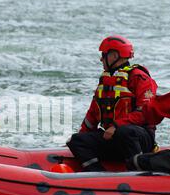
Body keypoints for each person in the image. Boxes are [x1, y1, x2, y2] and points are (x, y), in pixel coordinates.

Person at [67, 35, 158, 171]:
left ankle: (138, 170)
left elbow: (145, 112)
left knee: (125, 131)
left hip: (139, 139)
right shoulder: (105, 81)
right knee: (77, 140)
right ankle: (97, 175)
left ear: (114, 56)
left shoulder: (140, 78)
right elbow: (92, 115)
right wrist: (81, 136)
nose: (101, 59)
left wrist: (116, 126)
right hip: (113, 137)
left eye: (103, 55)